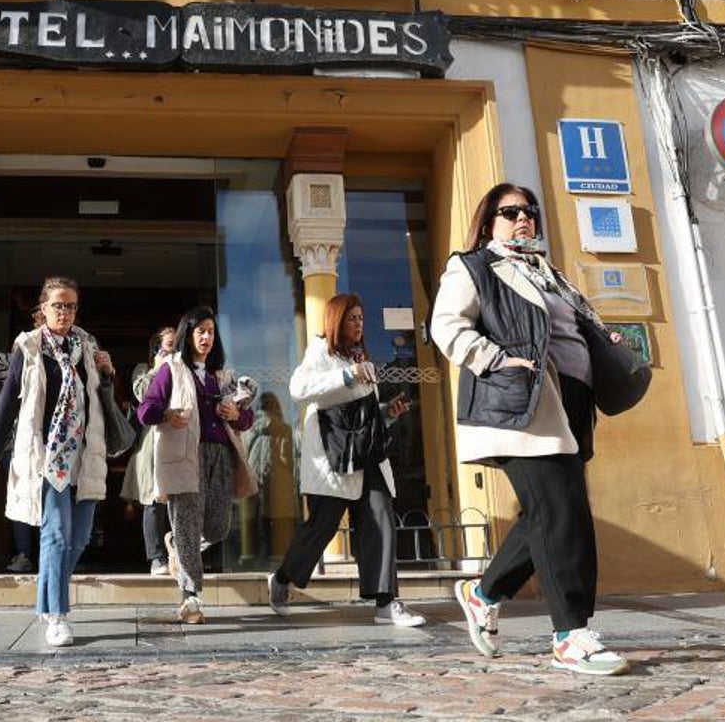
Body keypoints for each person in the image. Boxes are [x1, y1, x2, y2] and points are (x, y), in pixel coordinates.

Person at [431, 183, 630, 676]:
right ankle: (571, 635)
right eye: (510, 211)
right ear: (489, 221)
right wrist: (497, 359)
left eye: (529, 212)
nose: (523, 218)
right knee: (564, 512)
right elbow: (447, 326)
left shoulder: (549, 272)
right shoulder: (474, 266)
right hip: (520, 405)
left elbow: (569, 326)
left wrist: (602, 337)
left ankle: (482, 594)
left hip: (570, 405)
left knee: (546, 512)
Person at [266, 293, 426, 628]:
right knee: (321, 529)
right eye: (352, 318)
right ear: (337, 320)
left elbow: (363, 414)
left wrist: (388, 414)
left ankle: (386, 603)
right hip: (334, 458)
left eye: (362, 318)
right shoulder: (321, 351)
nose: (359, 324)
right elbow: (300, 388)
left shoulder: (360, 356)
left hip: (368, 455)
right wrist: (348, 376)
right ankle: (282, 578)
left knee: (381, 519)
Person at [0, 276, 114, 648]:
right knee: (55, 535)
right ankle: (57, 616)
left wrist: (108, 372)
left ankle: (45, 597)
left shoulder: (87, 347)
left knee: (80, 538)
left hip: (85, 455)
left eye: (70, 306)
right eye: (58, 305)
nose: (65, 312)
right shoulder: (29, 347)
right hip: (48, 458)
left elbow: (103, 401)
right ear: (43, 309)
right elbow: (8, 405)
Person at [137, 305, 259, 624]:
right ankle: (190, 598)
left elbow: (246, 419)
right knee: (189, 525)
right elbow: (145, 410)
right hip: (184, 456)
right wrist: (167, 414)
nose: (206, 337)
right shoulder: (171, 369)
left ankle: (178, 543)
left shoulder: (222, 376)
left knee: (218, 527)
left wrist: (237, 415)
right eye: (200, 331)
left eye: (211, 331)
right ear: (187, 335)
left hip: (220, 456)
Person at [120, 327, 177, 575]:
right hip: (152, 444)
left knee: (180, 500)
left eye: (177, 346)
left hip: (178, 440)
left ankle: (180, 552)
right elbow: (143, 394)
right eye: (168, 345)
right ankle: (156, 557)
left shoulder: (184, 371)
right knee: (154, 500)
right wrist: (158, 367)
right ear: (156, 349)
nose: (173, 351)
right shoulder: (144, 371)